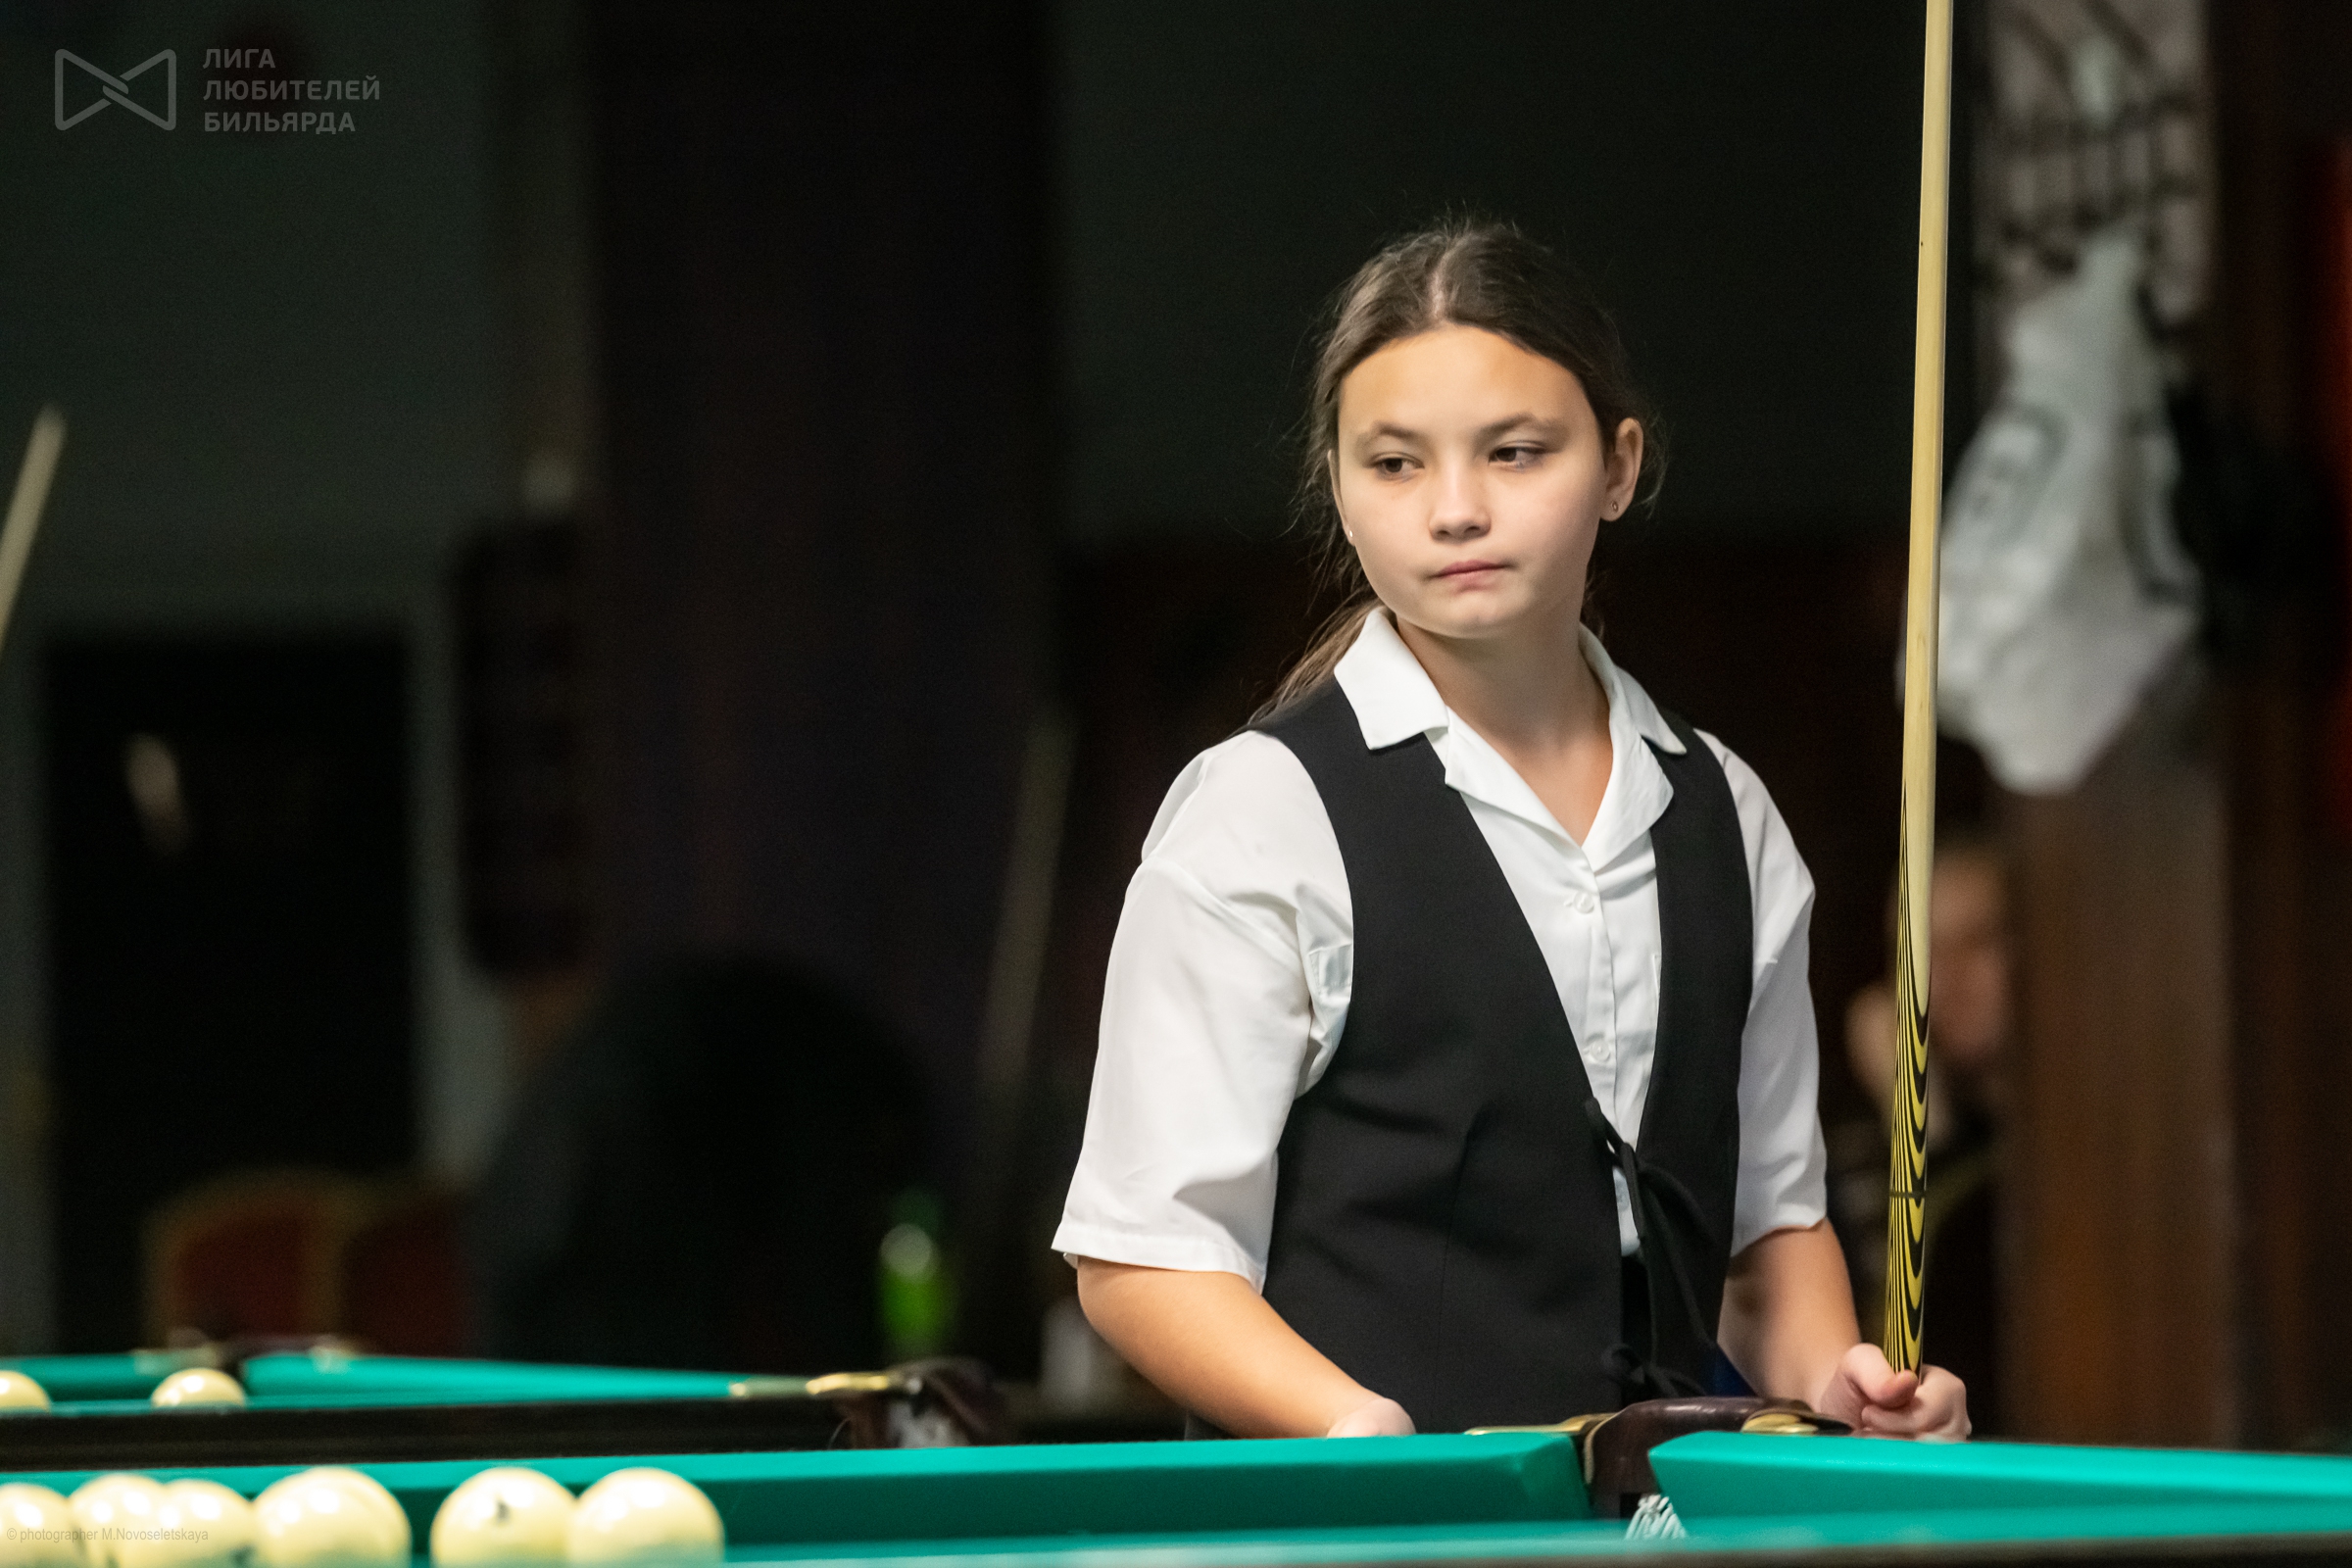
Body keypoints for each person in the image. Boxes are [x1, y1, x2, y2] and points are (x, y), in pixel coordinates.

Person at [1053, 220, 1969, 1442]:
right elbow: (1143, 1257)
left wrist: (1838, 1386)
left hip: (1661, 1516)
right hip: (1362, 1520)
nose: (1456, 509)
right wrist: (1360, 1431)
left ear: (1620, 466)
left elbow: (1763, 1235)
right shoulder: (1260, 815)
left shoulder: (1725, 815)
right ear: (1338, 487)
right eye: (1395, 463)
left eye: (1516, 451)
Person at [1840, 832, 2011, 1430]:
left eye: (1979, 941)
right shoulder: (1856, 1156)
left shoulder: (2082, 1146)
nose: (1947, 975)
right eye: (1922, 951)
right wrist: (1916, 1114)